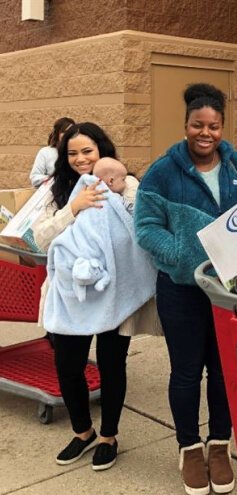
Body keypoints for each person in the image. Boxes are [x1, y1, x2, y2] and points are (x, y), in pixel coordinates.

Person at [135, 83, 237, 495]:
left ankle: (220, 445)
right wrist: (180, 256)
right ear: (186, 125)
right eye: (197, 125)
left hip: (230, 292)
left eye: (213, 126)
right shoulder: (162, 172)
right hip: (182, 290)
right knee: (187, 372)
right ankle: (190, 447)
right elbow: (145, 227)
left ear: (221, 127)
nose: (205, 133)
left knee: (226, 371)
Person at [32, 122, 145, 472]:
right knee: (68, 366)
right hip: (71, 295)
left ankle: (109, 436)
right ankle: (83, 432)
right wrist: (74, 208)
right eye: (73, 153)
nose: (81, 159)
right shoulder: (56, 190)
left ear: (102, 150)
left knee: (112, 365)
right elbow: (40, 238)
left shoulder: (126, 183)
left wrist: (122, 192)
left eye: (88, 151)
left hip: (114, 290)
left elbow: (139, 224)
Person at [29, 117, 75, 187]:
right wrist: (54, 179)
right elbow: (34, 178)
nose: (68, 135)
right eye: (64, 132)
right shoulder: (46, 152)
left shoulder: (78, 152)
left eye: (71, 132)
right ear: (57, 133)